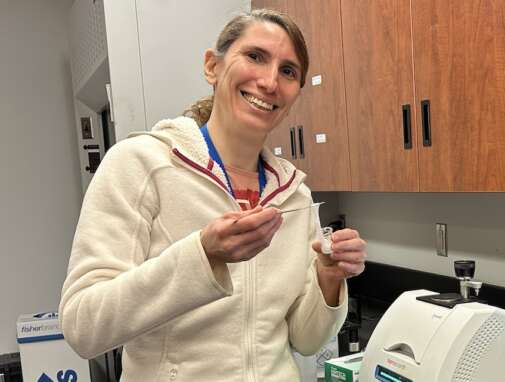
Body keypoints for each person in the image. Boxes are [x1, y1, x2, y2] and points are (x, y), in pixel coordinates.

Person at [58, 9, 366, 381]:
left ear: (296, 93)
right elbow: (83, 327)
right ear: (212, 67)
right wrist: (201, 255)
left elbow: (304, 339)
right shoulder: (142, 165)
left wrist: (327, 278)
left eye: (288, 71)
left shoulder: (294, 196)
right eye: (255, 56)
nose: (270, 81)